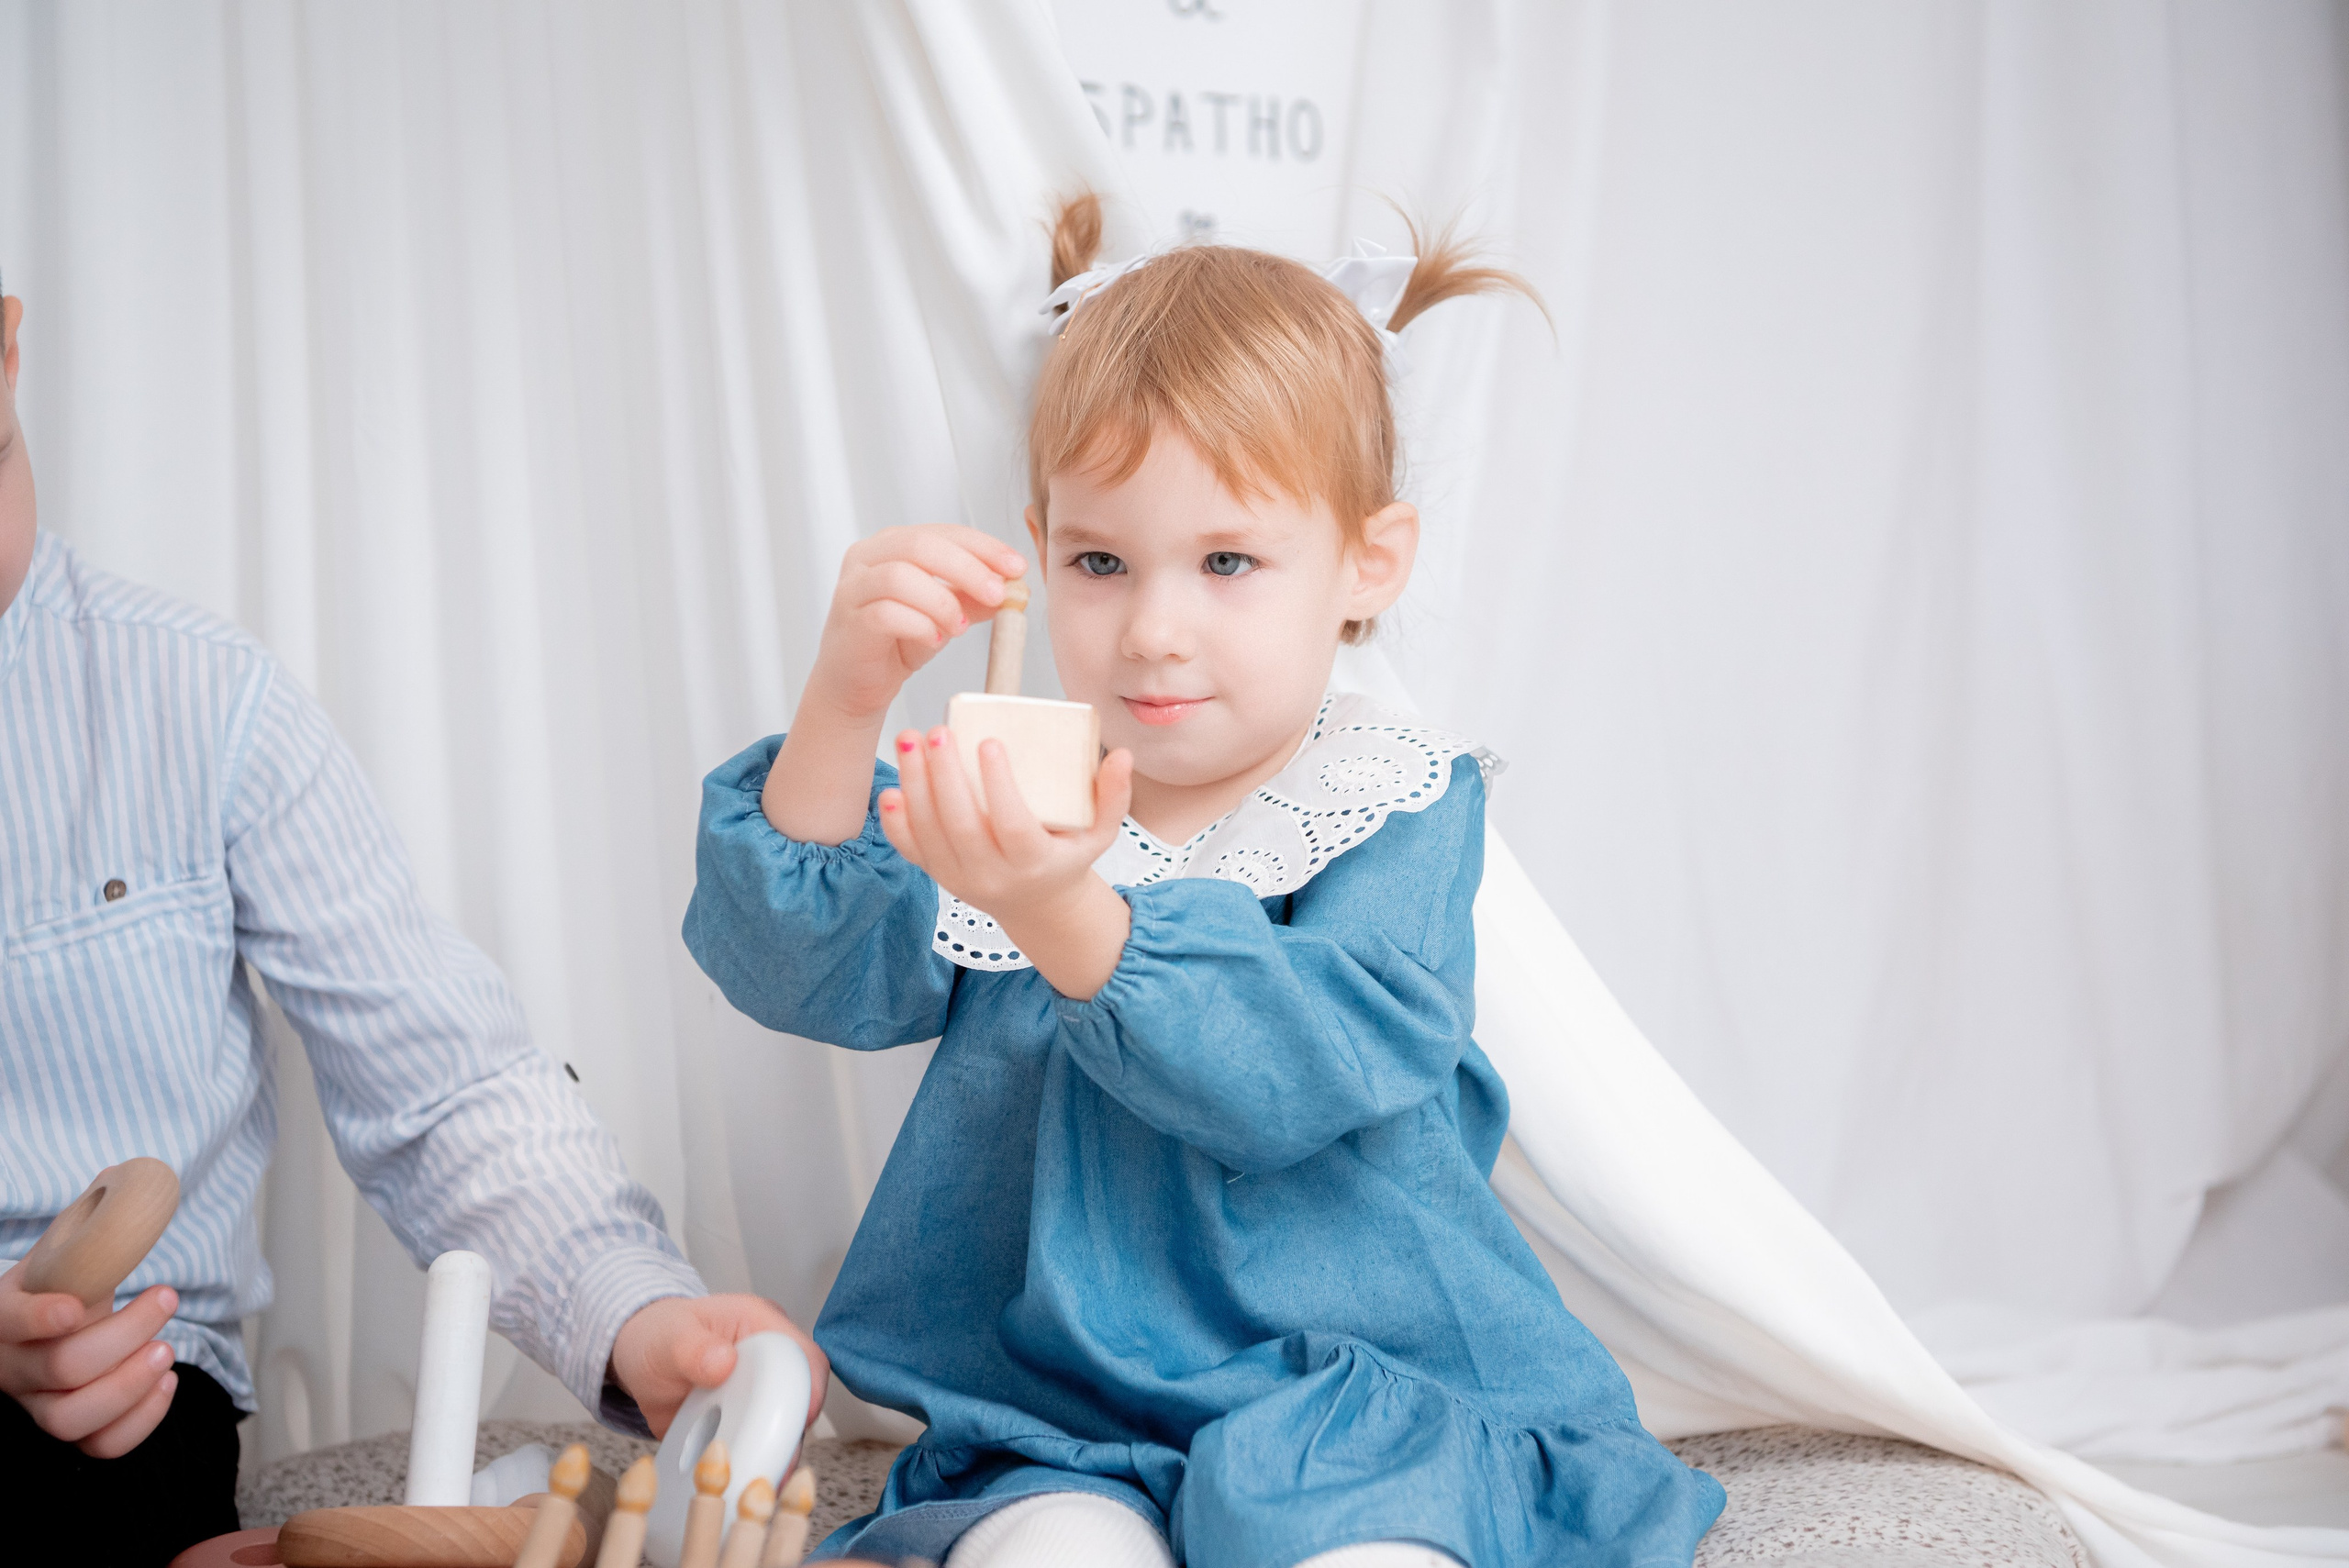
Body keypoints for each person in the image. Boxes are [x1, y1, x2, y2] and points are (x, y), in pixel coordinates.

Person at [681, 196, 1724, 1568]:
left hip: (1352, 1378)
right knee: (1042, 1553)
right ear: (1040, 544)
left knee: (1365, 1555)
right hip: (1064, 1407)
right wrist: (844, 696)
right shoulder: (1021, 777)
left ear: (1367, 565)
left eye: (1227, 561)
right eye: (1100, 561)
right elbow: (798, 962)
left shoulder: (1385, 794)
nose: (1154, 629)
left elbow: (1305, 1062)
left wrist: (1067, 914)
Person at [0, 277, 826, 1566]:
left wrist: (639, 1319)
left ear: (6, 357)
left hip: (126, 1428)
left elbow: (448, 1091)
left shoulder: (204, 702)